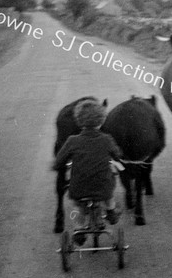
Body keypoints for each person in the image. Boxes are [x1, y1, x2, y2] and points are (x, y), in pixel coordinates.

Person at [52, 99, 122, 245]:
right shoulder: (106, 139)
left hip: (79, 188)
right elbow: (118, 155)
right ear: (101, 121)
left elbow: (59, 161)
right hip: (102, 188)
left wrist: (61, 164)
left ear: (78, 121)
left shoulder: (72, 140)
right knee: (109, 187)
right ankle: (110, 210)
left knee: (78, 206)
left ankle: (78, 230)